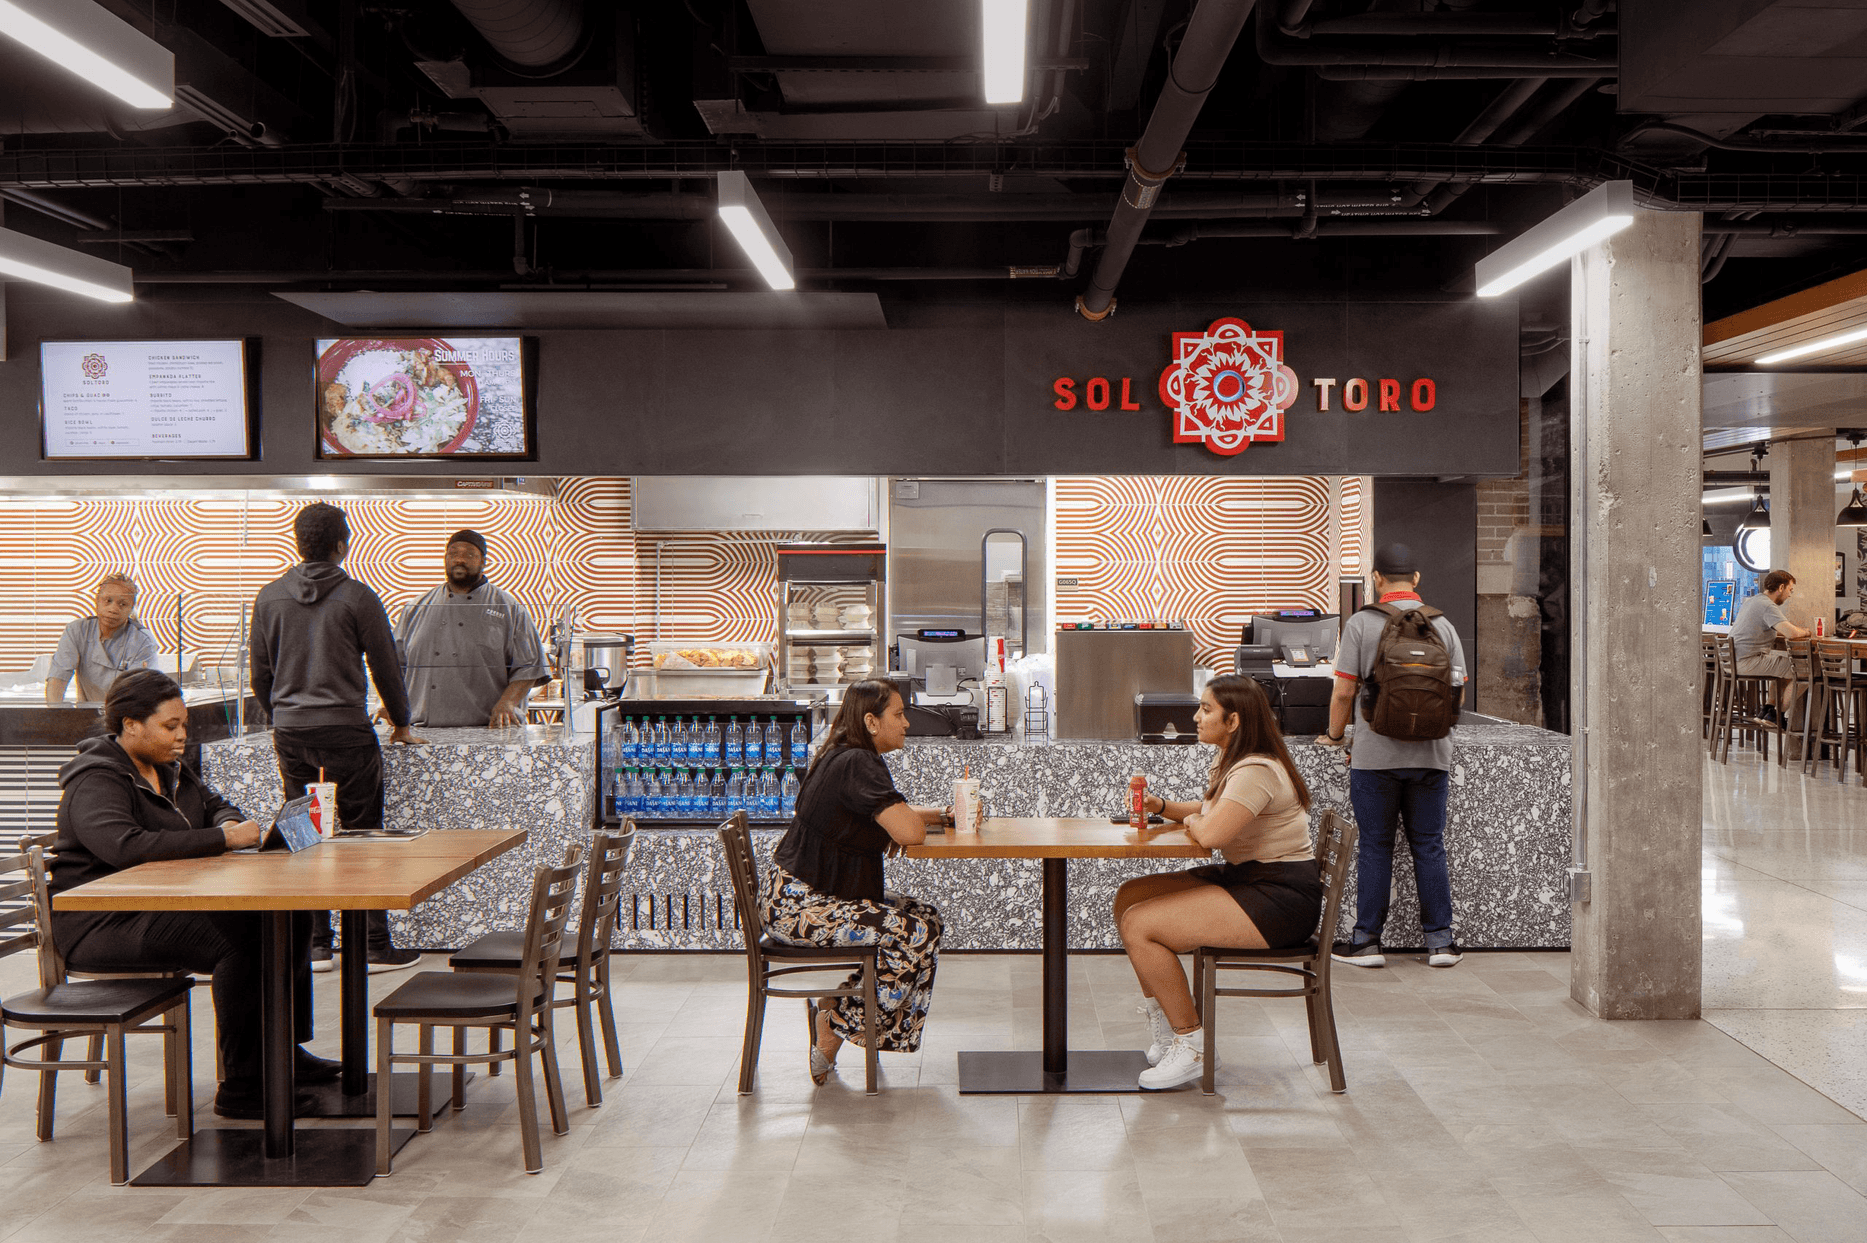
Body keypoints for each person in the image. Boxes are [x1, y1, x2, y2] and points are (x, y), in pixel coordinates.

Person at [48, 670, 340, 1119]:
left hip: (159, 904)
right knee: (239, 943)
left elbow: (217, 805)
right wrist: (223, 840)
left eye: (184, 724)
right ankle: (242, 1085)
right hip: (100, 919)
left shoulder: (171, 769)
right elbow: (125, 848)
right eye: (170, 726)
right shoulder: (96, 780)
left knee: (288, 913)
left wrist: (224, 823)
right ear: (130, 724)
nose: (183, 734)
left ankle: (284, 1050)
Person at [1111, 675, 1322, 1090]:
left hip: (1280, 898)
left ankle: (1193, 1045)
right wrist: (1167, 807)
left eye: (1206, 709)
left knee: (1140, 924)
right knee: (1130, 898)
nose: (1196, 716)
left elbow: (1211, 834)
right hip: (1251, 878)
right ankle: (1169, 1030)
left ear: (1234, 721)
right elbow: (1214, 811)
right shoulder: (1235, 760)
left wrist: (1193, 821)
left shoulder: (1257, 770)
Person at [250, 502, 426, 974]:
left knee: (303, 833)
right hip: (347, 729)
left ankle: (316, 946)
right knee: (364, 831)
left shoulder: (268, 598)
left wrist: (283, 715)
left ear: (297, 542)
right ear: (342, 545)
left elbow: (259, 675)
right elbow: (385, 666)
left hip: (291, 732)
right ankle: (371, 943)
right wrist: (402, 722)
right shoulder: (358, 597)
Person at [762, 679, 947, 1085]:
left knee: (926, 918)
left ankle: (836, 1007)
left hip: (806, 897)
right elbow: (909, 832)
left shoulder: (847, 756)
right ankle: (834, 1025)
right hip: (802, 907)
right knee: (912, 933)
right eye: (898, 715)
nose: (907, 724)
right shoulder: (858, 762)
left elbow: (896, 820)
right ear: (871, 722)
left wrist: (937, 815)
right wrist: (909, 826)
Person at [1321, 542, 1467, 969]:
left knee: (1376, 847)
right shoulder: (1445, 626)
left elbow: (1344, 690)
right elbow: (1457, 690)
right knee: (1429, 845)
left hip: (1375, 759)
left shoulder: (1362, 624)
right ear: (1416, 579)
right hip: (1432, 756)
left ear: (1377, 578)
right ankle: (1441, 943)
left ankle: (1366, 942)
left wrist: (1334, 736)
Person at [390, 530, 548, 728]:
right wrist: (388, 703)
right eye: (453, 553)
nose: (460, 559)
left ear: (483, 561)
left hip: (487, 730)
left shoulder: (508, 607)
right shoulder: (416, 608)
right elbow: (393, 666)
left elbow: (530, 667)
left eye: (469, 554)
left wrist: (507, 703)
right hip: (423, 730)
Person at [45, 573, 159, 705]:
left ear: (131, 609)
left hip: (127, 716)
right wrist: (54, 714)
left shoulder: (143, 640)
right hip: (87, 713)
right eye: (108, 600)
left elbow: (140, 693)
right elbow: (58, 679)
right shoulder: (77, 630)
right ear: (97, 601)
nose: (113, 609)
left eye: (122, 604)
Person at [1731, 570, 1810, 729]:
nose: (1790, 595)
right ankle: (1777, 716)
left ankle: (1767, 710)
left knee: (1781, 666)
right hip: (1747, 661)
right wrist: (1807, 632)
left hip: (1734, 661)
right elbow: (1791, 634)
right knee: (1805, 672)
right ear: (1781, 588)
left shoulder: (1753, 601)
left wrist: (1791, 630)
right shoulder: (1768, 606)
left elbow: (1777, 628)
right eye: (1790, 590)